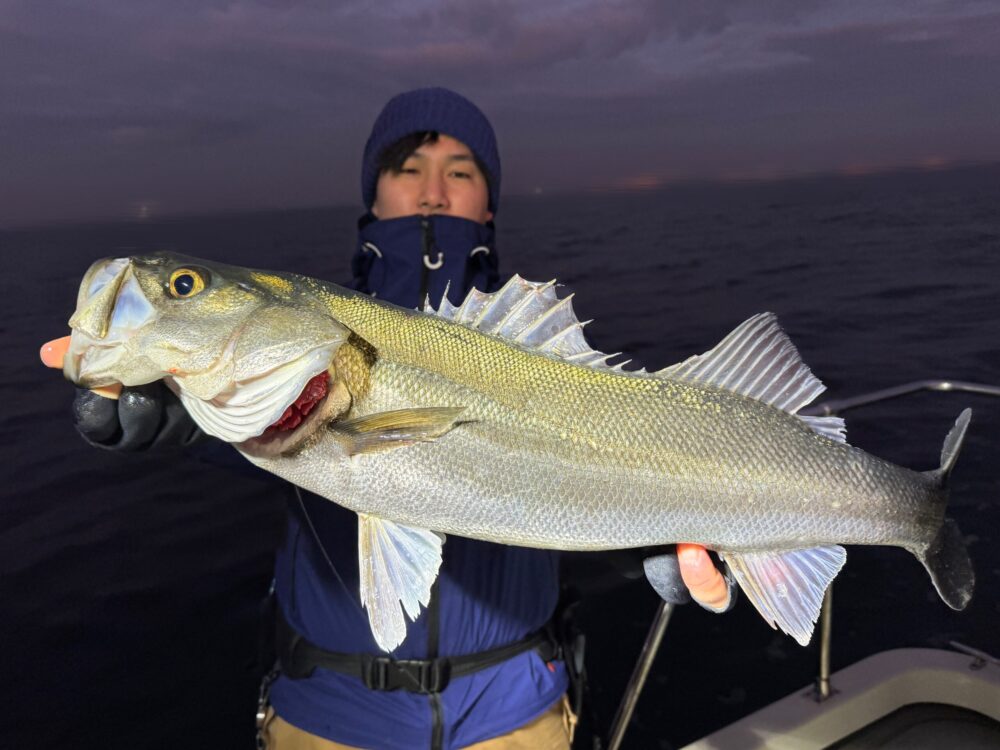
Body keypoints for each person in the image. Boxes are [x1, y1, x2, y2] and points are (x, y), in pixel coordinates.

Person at [73, 87, 734, 750]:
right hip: (329, 716)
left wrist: (655, 534)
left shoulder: (541, 350)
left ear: (489, 202)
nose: (433, 192)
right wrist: (179, 415)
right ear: (375, 196)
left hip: (516, 711)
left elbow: (589, 464)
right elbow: (264, 420)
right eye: (408, 168)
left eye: (460, 172)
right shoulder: (302, 329)